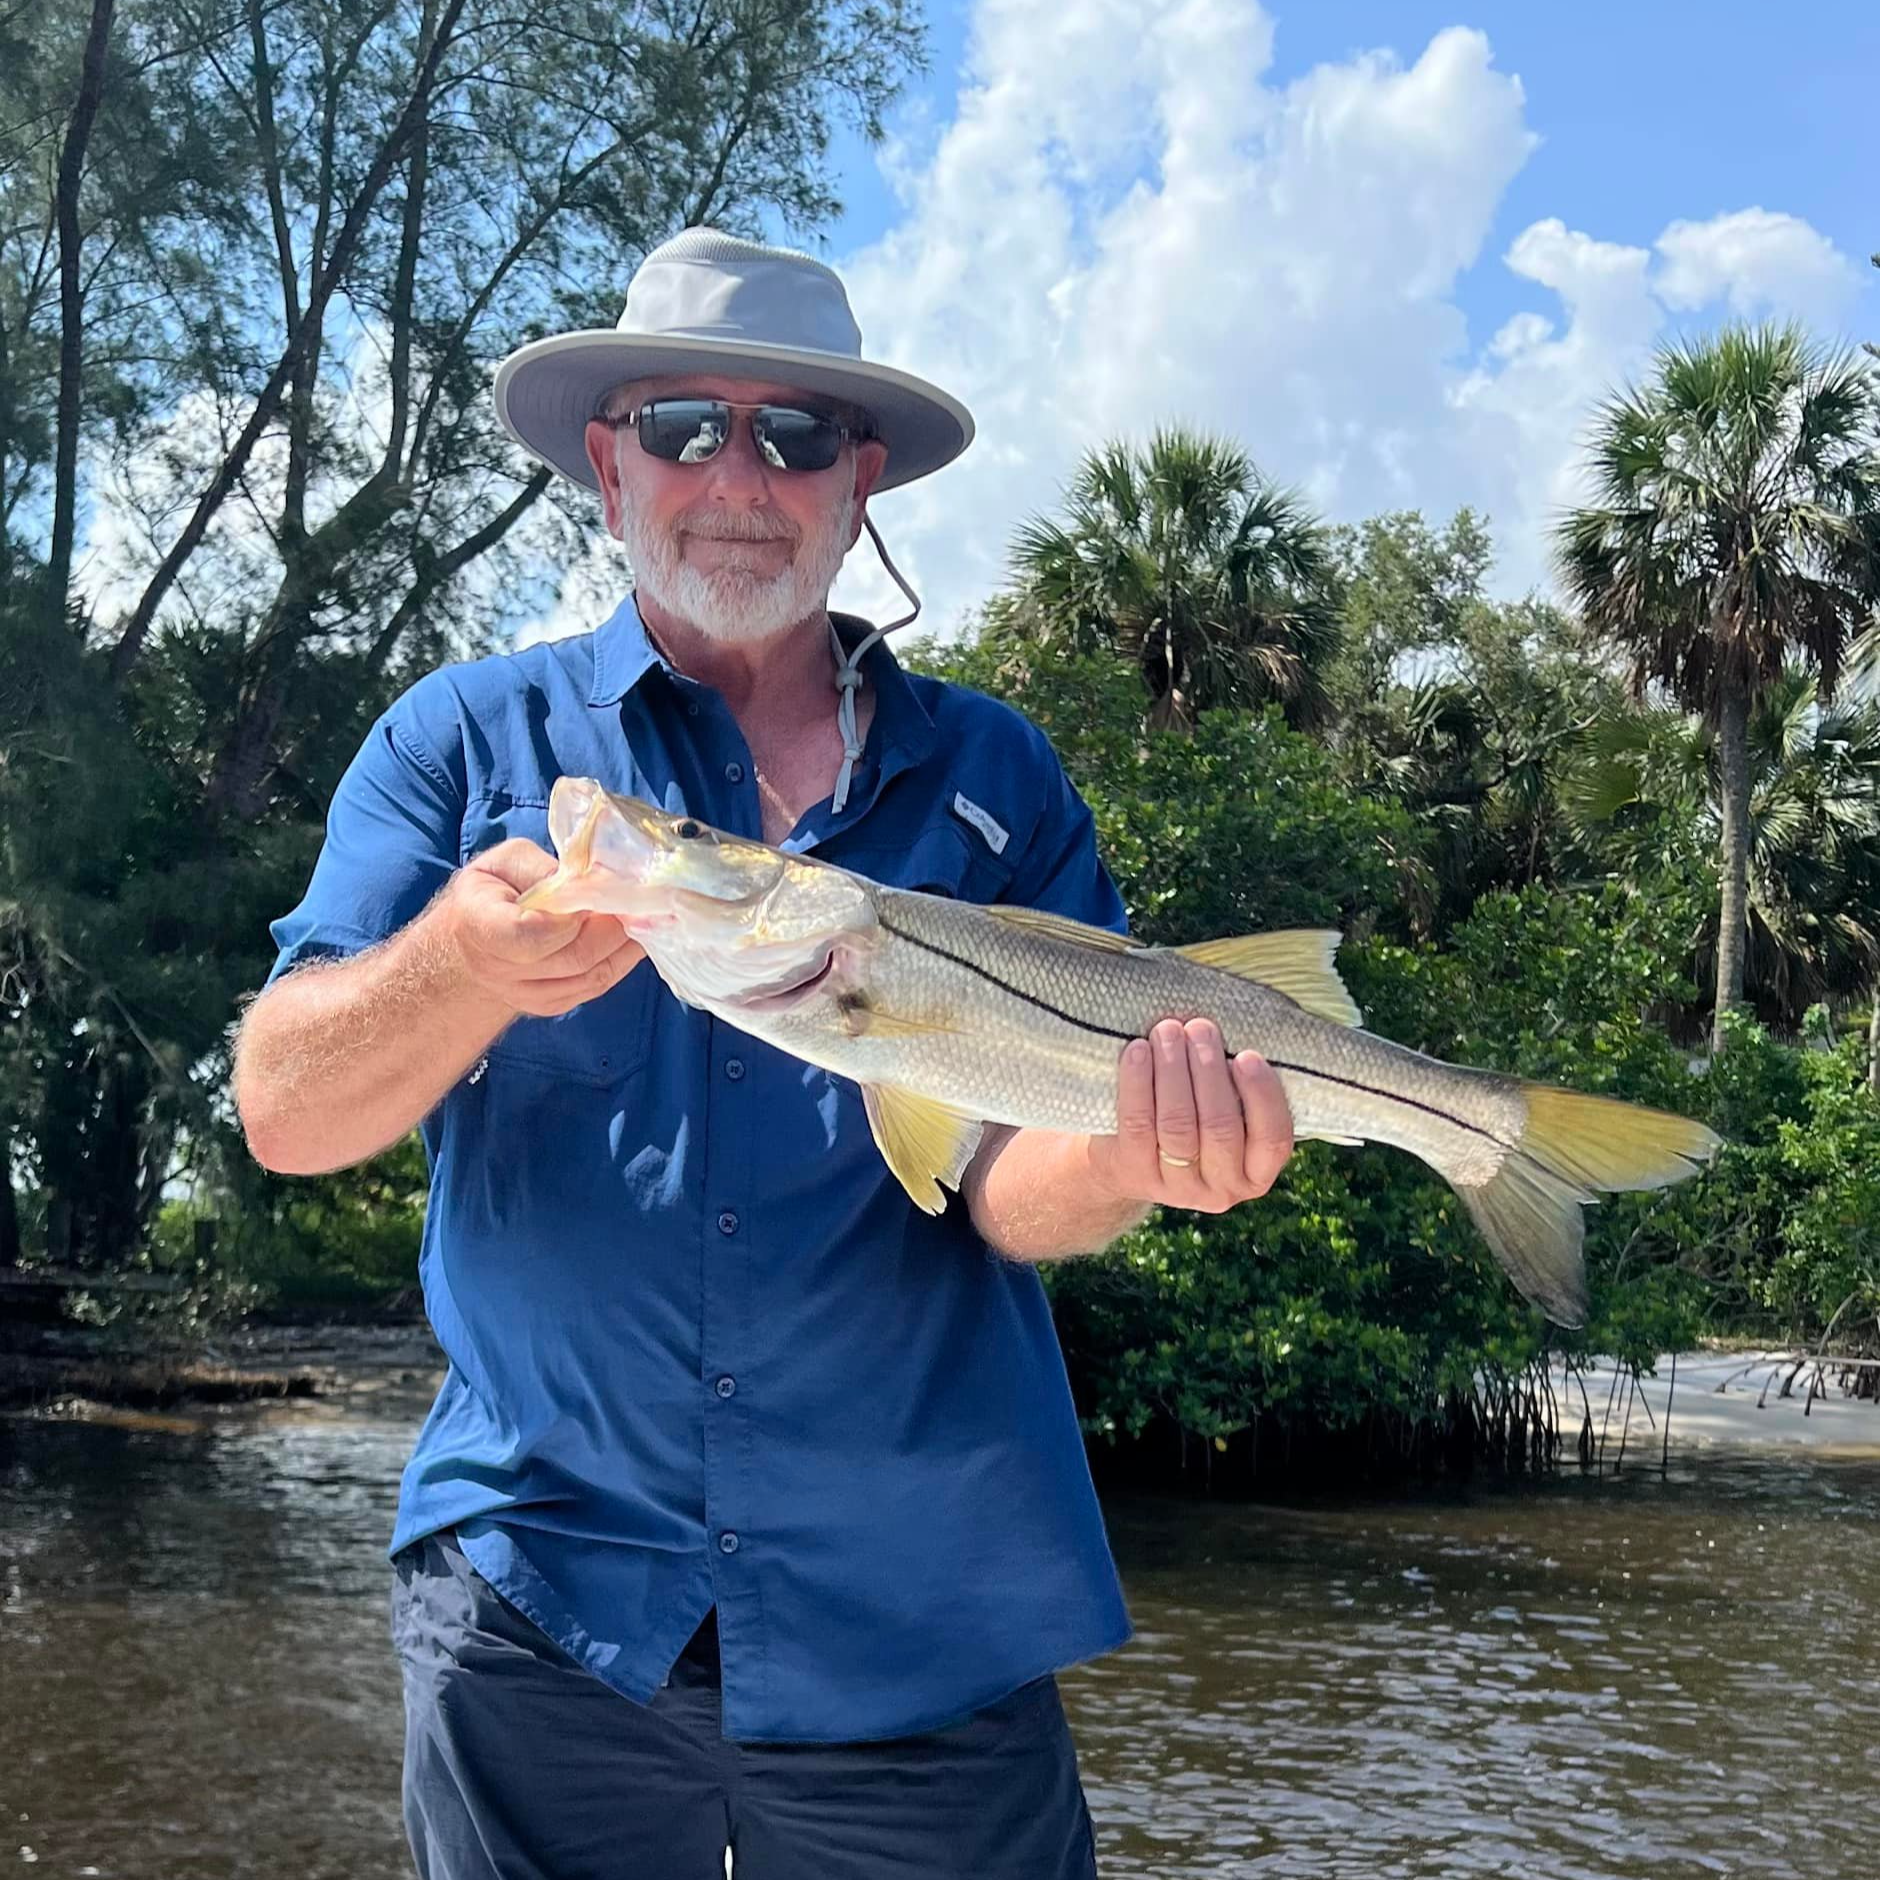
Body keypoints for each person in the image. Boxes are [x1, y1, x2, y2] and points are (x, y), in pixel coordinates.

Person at [234, 226, 1295, 1880]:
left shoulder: (995, 777)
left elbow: (1010, 1190)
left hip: (924, 1609)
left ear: (859, 482)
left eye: (795, 435)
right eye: (684, 426)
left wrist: (1136, 1155)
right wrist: (459, 965)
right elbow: (285, 1111)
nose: (739, 476)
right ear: (609, 466)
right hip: (541, 1601)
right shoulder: (461, 742)